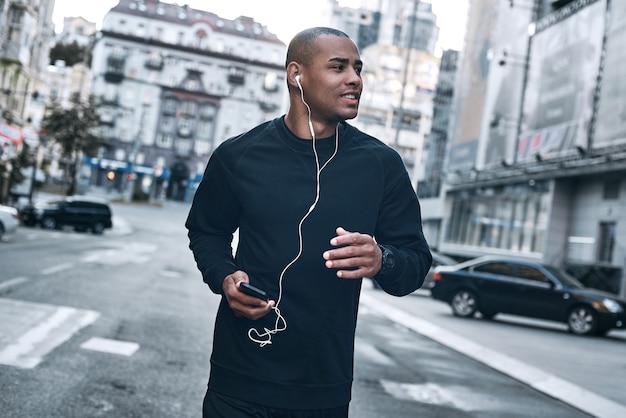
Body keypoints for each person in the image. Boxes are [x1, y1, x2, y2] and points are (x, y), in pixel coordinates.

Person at [186, 26, 432, 418]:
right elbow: (207, 230)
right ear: (296, 74)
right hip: (238, 377)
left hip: (321, 389)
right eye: (338, 67)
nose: (355, 79)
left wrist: (382, 259)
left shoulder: (381, 165)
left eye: (357, 68)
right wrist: (224, 276)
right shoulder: (239, 155)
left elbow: (415, 264)